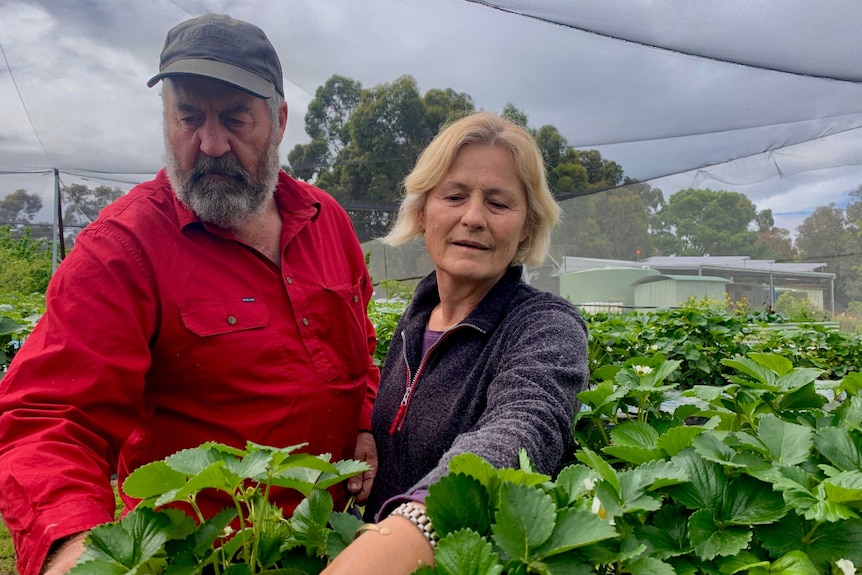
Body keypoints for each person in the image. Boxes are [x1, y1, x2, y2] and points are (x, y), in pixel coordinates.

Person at [0, 14, 379, 575]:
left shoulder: (328, 221)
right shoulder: (123, 248)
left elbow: (360, 343)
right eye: (188, 118)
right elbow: (51, 415)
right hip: (205, 556)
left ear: (277, 121)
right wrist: (75, 549)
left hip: (341, 542)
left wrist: (365, 417)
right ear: (166, 119)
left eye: (234, 118)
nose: (210, 143)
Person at [323, 111, 589, 574]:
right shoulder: (415, 319)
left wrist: (417, 523)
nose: (473, 218)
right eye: (455, 196)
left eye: (499, 203)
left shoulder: (546, 326)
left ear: (527, 225)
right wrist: (368, 430)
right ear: (423, 212)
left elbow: (523, 428)